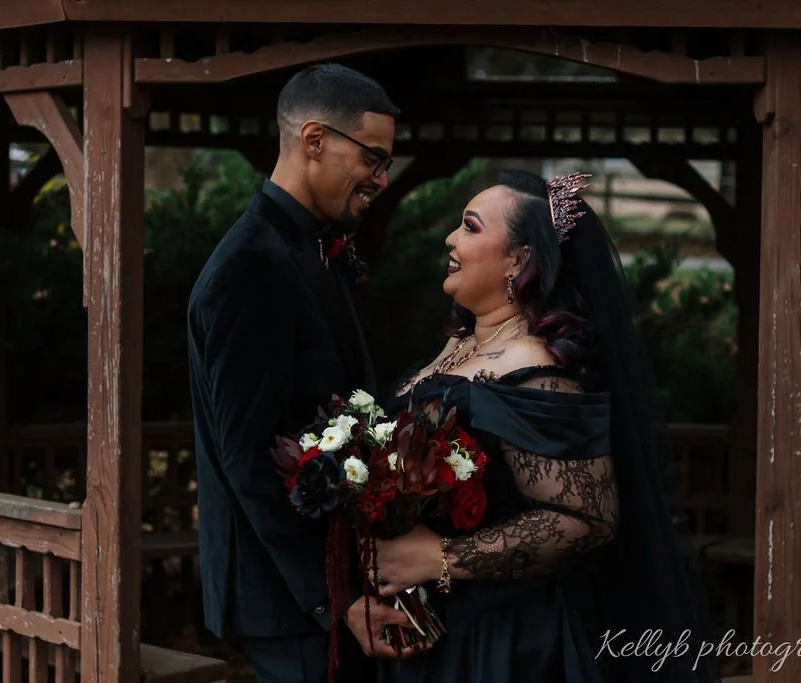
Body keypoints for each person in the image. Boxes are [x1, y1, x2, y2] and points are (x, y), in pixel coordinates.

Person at [369, 170, 719, 683]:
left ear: (519, 259)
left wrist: (440, 557)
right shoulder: (456, 347)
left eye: (469, 227)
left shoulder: (531, 366)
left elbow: (585, 518)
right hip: (432, 626)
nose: (450, 238)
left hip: (505, 639)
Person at [187, 63, 423, 683]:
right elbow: (246, 457)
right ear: (313, 141)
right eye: (373, 157)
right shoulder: (252, 266)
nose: (381, 177)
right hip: (292, 600)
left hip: (325, 586)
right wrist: (336, 601)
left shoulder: (305, 247)